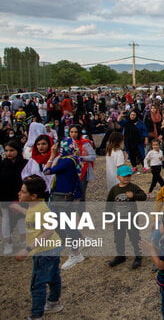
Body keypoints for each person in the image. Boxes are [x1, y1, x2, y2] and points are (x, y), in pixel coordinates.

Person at [13, 176, 64, 319]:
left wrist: (27, 249)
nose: (19, 193)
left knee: (37, 283)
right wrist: (18, 208)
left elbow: (49, 231)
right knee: (53, 276)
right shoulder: (35, 206)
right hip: (51, 248)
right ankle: (54, 302)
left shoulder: (41, 209)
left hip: (45, 250)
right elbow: (34, 217)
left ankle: (36, 315)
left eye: (23, 192)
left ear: (34, 196)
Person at [45, 137, 85, 270]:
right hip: (65, 196)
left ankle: (76, 253)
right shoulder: (73, 159)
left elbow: (47, 171)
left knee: (67, 225)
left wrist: (51, 155)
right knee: (66, 224)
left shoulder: (67, 161)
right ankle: (79, 242)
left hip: (63, 198)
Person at [106, 165, 147, 269]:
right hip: (118, 219)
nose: (127, 178)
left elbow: (144, 196)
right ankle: (121, 255)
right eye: (124, 176)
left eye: (129, 176)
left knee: (134, 237)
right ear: (118, 177)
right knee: (119, 237)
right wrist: (108, 217)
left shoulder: (133, 187)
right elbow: (109, 204)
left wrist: (134, 195)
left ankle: (138, 255)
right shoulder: (114, 189)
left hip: (131, 218)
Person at [1, 139, 27, 255]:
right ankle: (8, 242)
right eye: (6, 151)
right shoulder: (2, 165)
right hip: (5, 195)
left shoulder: (25, 163)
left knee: (22, 217)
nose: (9, 153)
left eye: (11, 150)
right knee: (6, 218)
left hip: (21, 195)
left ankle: (23, 239)